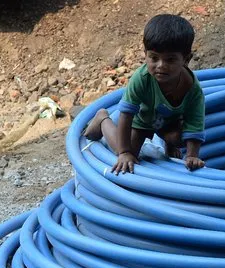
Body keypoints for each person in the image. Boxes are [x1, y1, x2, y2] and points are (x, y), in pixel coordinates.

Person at [84, 14, 205, 174]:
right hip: (142, 120)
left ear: (186, 59)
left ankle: (169, 144)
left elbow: (195, 123)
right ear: (145, 54)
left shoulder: (193, 89)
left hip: (169, 123)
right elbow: (126, 114)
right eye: (154, 58)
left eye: (170, 60)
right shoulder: (141, 79)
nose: (161, 65)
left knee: (180, 138)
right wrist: (124, 152)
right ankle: (103, 120)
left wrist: (191, 156)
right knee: (130, 154)